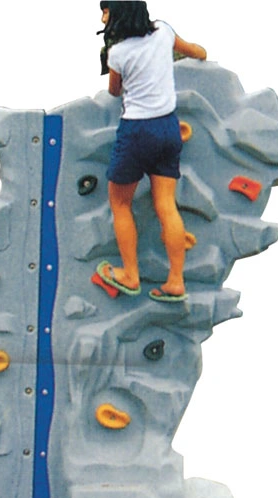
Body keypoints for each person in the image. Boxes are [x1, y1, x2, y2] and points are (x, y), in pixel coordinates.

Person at [95, 1, 206, 303]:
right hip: (168, 128)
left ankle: (130, 274)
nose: (103, 16)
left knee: (120, 203)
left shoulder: (118, 52)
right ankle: (175, 281)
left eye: (106, 11)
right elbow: (195, 51)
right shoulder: (163, 32)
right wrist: (198, 53)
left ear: (119, 15)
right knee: (166, 206)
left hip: (137, 132)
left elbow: (114, 91)